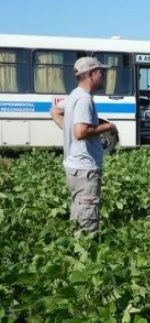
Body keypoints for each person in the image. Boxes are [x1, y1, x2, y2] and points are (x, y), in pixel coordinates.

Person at [48, 57, 116, 234]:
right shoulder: (84, 99)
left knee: (79, 212)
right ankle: (86, 254)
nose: (103, 75)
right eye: (101, 72)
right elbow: (80, 132)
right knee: (87, 219)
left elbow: (54, 111)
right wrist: (108, 127)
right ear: (90, 74)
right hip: (85, 169)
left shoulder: (74, 95)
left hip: (75, 166)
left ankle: (75, 252)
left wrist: (67, 129)